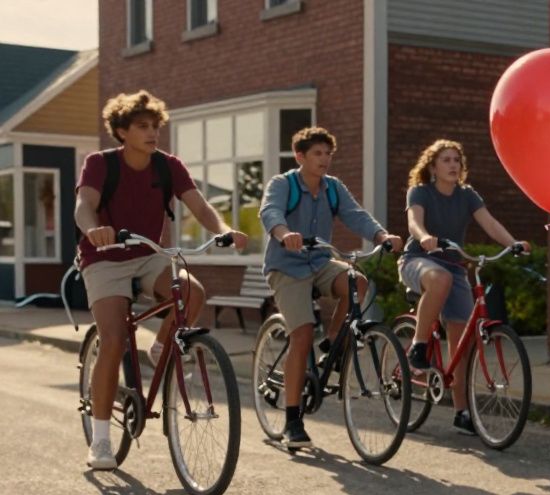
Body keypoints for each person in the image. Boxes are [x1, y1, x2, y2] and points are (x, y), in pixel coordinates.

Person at [75, 90, 248, 470]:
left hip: (148, 254)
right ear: (122, 131)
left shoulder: (168, 166)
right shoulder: (100, 164)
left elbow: (199, 204)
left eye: (155, 126)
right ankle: (101, 441)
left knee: (192, 292)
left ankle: (160, 347)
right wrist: (93, 230)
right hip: (104, 258)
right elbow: (84, 204)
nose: (153, 132)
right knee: (114, 339)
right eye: (142, 126)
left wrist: (224, 230)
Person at [259, 126, 401, 449]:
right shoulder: (283, 184)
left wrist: (381, 236)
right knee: (302, 335)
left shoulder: (333, 188)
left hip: (321, 262)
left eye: (328, 154)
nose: (324, 159)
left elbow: (356, 215)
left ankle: (334, 340)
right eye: (317, 153)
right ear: (300, 156)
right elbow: (270, 212)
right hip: (287, 267)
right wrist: (283, 233)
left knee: (357, 281)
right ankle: (293, 420)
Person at [398, 139, 528, 435]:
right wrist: (424, 237)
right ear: (433, 167)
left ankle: (462, 411)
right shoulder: (420, 191)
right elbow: (414, 223)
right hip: (418, 259)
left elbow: (490, 224)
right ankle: (419, 346)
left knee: (462, 342)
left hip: (454, 266)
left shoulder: (467, 195)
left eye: (456, 160)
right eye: (446, 160)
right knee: (439, 279)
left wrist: (513, 244)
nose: (453, 165)